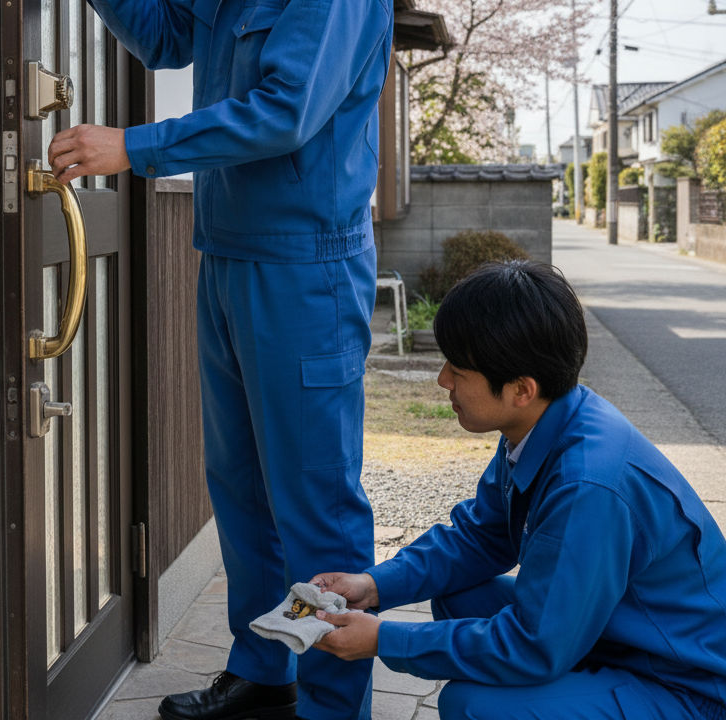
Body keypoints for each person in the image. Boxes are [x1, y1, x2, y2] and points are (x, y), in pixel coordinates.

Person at [43, 0, 393, 720]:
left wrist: (134, 146)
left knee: (315, 504)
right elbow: (163, 34)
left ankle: (330, 705)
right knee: (240, 491)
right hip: (229, 259)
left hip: (304, 275)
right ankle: (265, 673)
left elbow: (280, 111)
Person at [309, 260, 726, 720]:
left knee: (472, 706)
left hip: (684, 684)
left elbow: (535, 644)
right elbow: (481, 537)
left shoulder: (588, 484)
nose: (443, 379)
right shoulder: (548, 423)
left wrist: (382, 639)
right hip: (612, 635)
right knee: (459, 594)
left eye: (458, 370)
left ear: (521, 389)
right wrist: (371, 586)